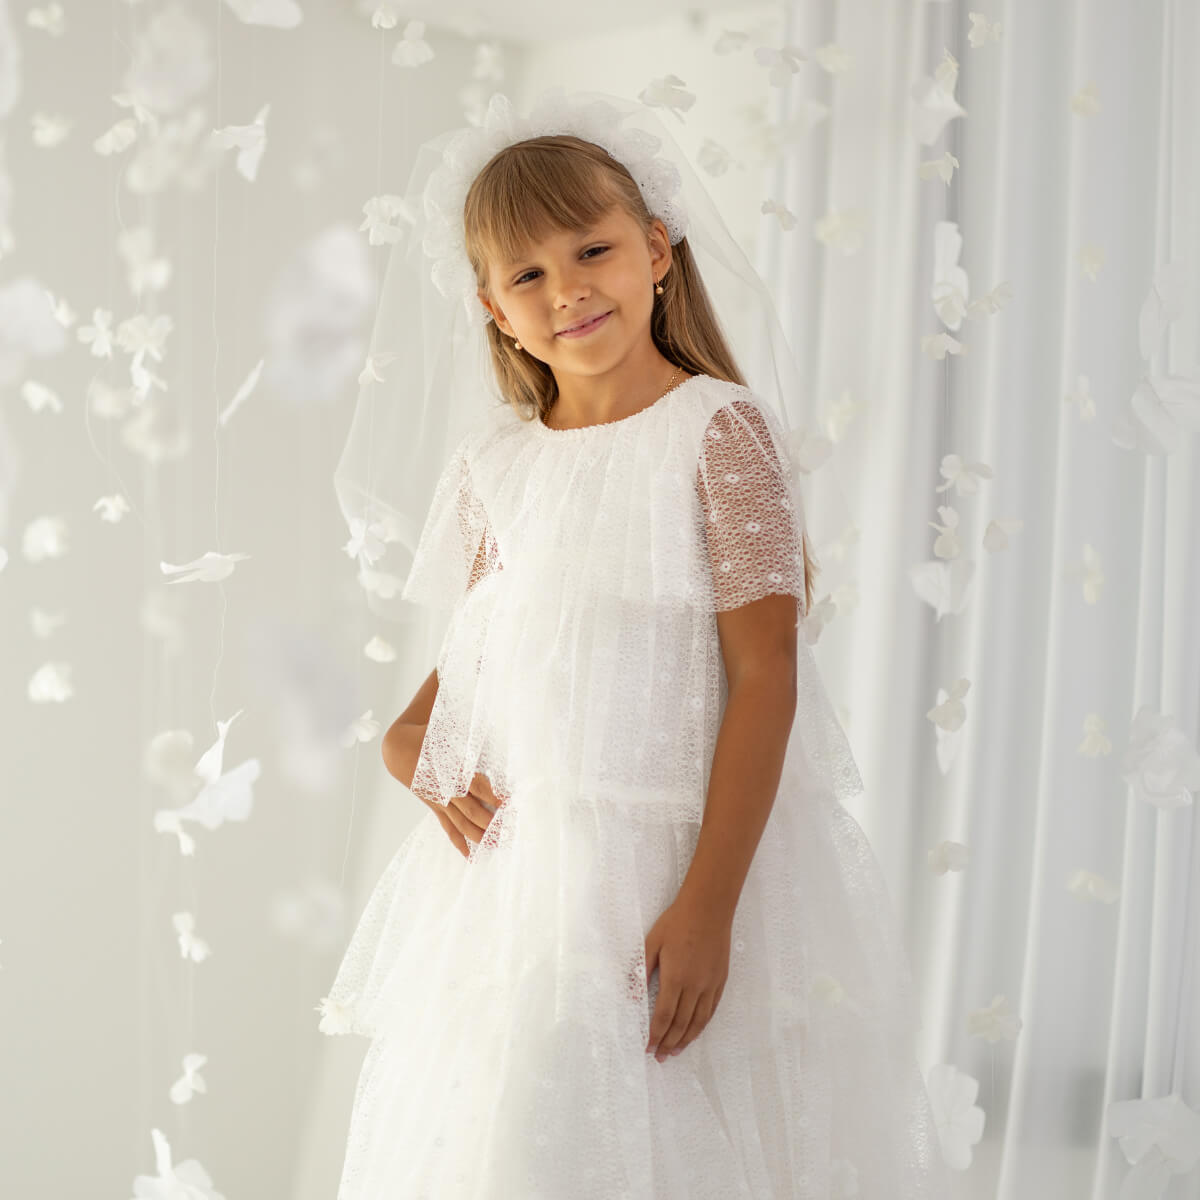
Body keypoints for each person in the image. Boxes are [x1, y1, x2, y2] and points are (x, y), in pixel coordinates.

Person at [318, 88, 949, 1199]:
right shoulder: (494, 471)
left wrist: (708, 906)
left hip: (674, 874)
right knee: (523, 1147)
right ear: (492, 310)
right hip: (523, 896)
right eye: (528, 275)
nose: (566, 289)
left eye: (591, 249)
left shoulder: (717, 431)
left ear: (655, 252)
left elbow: (766, 675)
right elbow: (472, 672)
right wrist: (407, 749)